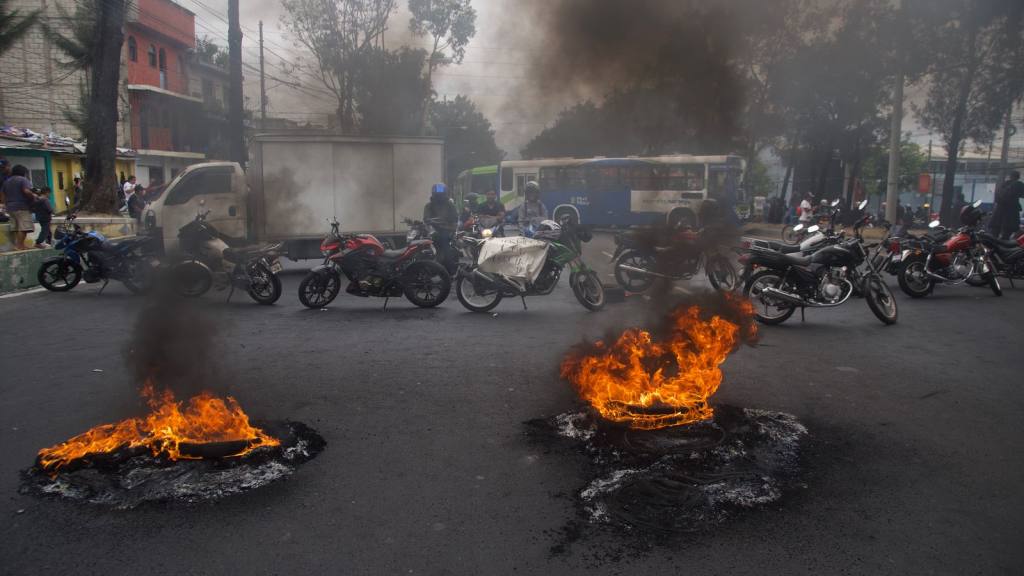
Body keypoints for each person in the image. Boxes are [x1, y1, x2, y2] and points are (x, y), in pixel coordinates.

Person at [0, 165, 39, 250]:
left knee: (16, 227)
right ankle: (20, 245)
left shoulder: (7, 181)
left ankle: (16, 245)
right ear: (23, 172)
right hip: (22, 207)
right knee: (24, 227)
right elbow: (26, 191)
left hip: (10, 208)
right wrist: (33, 196)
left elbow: (2, 195)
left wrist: (5, 204)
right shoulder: (23, 180)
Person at [422, 183, 458, 267]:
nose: (439, 196)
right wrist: (429, 221)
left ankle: (451, 268)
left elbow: (455, 217)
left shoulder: (450, 205)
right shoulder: (429, 206)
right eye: (437, 195)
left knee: (444, 243)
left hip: (446, 230)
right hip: (432, 230)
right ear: (433, 194)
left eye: (441, 194)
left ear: (445, 194)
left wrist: (446, 221)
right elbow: (426, 218)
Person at [992, 171, 1024, 239]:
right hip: (1011, 211)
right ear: (1018, 177)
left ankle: (994, 243)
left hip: (999, 210)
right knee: (1007, 232)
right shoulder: (1019, 184)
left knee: (995, 231)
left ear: (1010, 176)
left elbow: (997, 195)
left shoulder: (1004, 184)